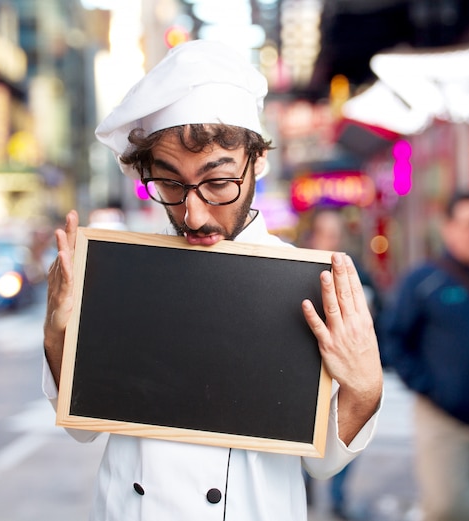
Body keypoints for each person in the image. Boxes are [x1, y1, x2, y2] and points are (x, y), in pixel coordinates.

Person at [43, 40, 383, 521]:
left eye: (219, 183)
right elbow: (82, 426)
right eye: (171, 185)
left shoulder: (305, 282)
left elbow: (325, 464)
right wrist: (58, 335)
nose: (194, 213)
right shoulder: (122, 271)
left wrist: (365, 386)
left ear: (257, 161)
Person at [381, 191, 469, 521]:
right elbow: (393, 340)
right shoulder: (424, 281)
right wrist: (429, 386)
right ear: (447, 228)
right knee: (449, 508)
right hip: (444, 420)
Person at [302, 208, 382, 519]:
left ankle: (337, 499)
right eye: (326, 233)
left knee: (345, 438)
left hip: (346, 376)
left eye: (337, 234)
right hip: (307, 376)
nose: (333, 240)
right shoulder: (297, 269)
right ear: (312, 237)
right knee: (306, 440)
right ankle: (307, 491)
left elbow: (378, 319)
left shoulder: (358, 273)